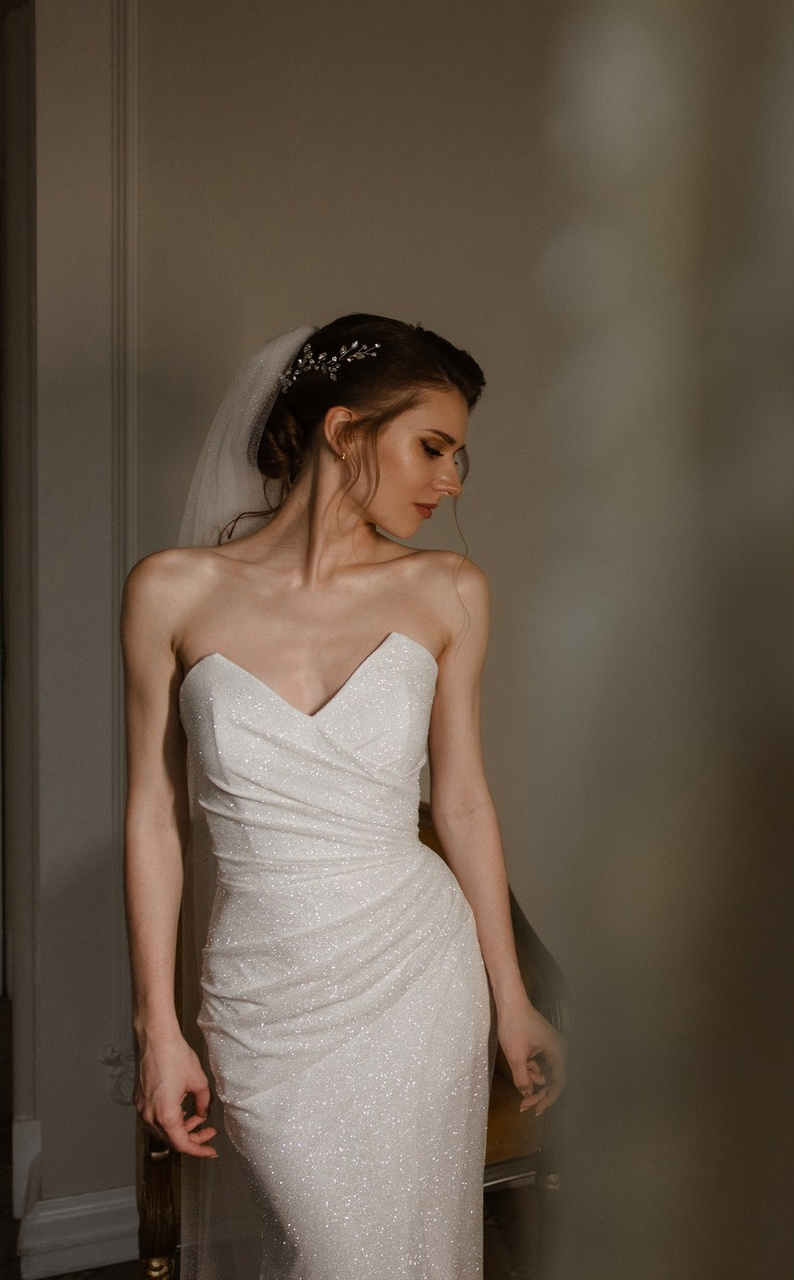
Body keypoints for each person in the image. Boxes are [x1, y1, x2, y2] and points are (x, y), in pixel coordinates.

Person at [121, 314, 566, 1278]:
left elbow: (464, 803)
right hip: (264, 997)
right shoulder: (171, 591)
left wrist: (512, 998)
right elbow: (154, 816)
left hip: (418, 974)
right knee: (333, 1251)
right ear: (343, 429)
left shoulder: (449, 590)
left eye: (459, 457)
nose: (451, 480)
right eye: (433, 446)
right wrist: (158, 1030)